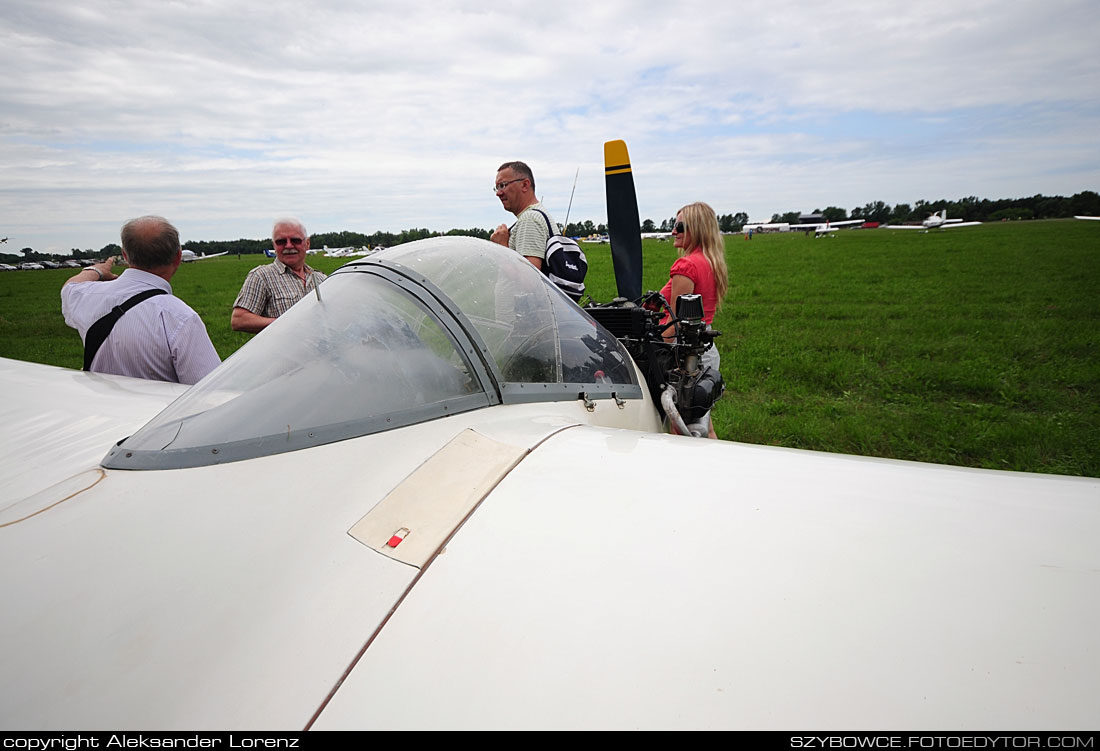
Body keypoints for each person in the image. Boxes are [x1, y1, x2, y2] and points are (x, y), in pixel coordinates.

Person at [60, 215, 220, 385]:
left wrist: (97, 270)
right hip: (159, 411)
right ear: (178, 257)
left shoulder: (89, 296)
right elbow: (209, 390)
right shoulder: (180, 317)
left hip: (101, 410)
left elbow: (70, 288)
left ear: (125, 255)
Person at [661, 202, 729, 439]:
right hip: (706, 350)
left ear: (696, 228)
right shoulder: (710, 262)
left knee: (681, 429)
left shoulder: (687, 265)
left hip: (686, 355)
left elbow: (676, 322)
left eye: (679, 226)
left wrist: (655, 351)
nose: (673, 231)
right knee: (702, 425)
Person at [231, 218, 326, 333]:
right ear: (274, 246)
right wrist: (287, 323)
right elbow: (239, 320)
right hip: (284, 350)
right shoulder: (261, 276)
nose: (289, 246)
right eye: (281, 242)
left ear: (307, 243)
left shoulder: (321, 278)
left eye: (295, 240)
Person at [489, 161, 557, 270]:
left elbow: (529, 279)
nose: (498, 193)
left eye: (503, 185)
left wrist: (502, 246)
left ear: (525, 185)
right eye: (497, 188)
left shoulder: (530, 219)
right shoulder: (537, 215)